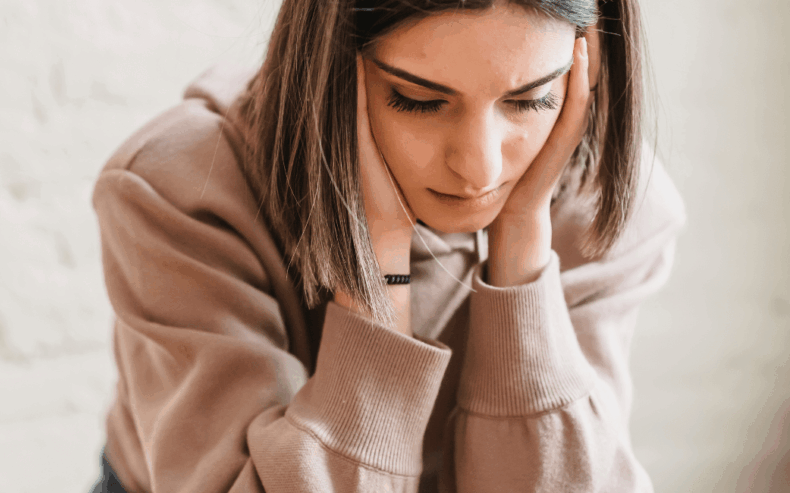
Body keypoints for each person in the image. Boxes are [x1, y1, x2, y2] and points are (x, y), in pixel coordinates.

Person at [89, 0, 687, 491]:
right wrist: (375, 283)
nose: (478, 169)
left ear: (591, 64)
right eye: (419, 100)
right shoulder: (178, 192)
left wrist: (523, 256)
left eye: (530, 99)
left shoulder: (613, 203)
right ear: (327, 66)